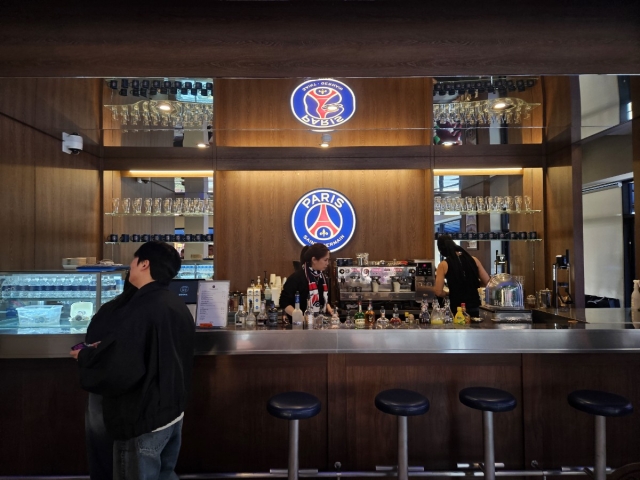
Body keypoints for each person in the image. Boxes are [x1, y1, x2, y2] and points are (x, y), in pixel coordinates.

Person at [71, 242, 195, 480]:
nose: (130, 266)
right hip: (170, 414)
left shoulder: (140, 308)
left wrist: (86, 356)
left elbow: (122, 369)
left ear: (144, 264)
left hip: (143, 419)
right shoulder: (176, 304)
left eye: (133, 260)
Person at [81, 273, 138, 480]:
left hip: (102, 389)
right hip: (133, 393)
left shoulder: (109, 309)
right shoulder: (153, 310)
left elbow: (90, 343)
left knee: (102, 452)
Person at [434, 235, 491, 317]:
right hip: (475, 306)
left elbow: (438, 292)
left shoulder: (443, 265)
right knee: (475, 328)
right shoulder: (474, 259)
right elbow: (488, 283)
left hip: (457, 309)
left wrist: (448, 293)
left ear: (441, 250)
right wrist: (474, 283)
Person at [280, 243, 334, 320]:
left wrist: (330, 309)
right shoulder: (296, 278)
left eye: (328, 260)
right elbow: (284, 302)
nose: (327, 263)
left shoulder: (323, 278)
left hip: (319, 324)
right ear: (314, 260)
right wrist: (300, 317)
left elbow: (324, 300)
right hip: (299, 325)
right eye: (325, 260)